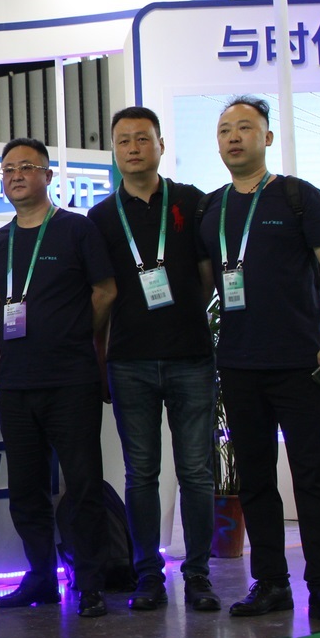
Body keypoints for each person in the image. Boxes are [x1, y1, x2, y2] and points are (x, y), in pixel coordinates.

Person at [198, 96, 320, 631]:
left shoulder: (298, 197)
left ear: (266, 137)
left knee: (313, 478)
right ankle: (270, 583)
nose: (233, 137)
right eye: (225, 129)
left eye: (245, 127)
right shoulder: (212, 208)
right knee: (256, 479)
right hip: (239, 364)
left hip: (300, 362)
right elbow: (204, 284)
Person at [88, 107, 220, 612]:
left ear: (161, 145)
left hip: (190, 355)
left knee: (196, 472)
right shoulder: (102, 217)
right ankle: (148, 576)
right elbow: (102, 295)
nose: (133, 148)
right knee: (141, 474)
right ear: (114, 151)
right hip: (130, 361)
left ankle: (199, 574)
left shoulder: (191, 202)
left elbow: (207, 277)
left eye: (143, 139)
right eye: (123, 140)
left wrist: (180, 312)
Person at [0, 137, 116, 618]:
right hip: (17, 382)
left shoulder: (76, 229)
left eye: (26, 167)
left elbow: (106, 290)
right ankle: (41, 577)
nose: (16, 176)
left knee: (82, 484)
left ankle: (90, 581)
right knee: (26, 487)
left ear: (47, 175)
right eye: (8, 169)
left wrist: (76, 331)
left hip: (70, 378)